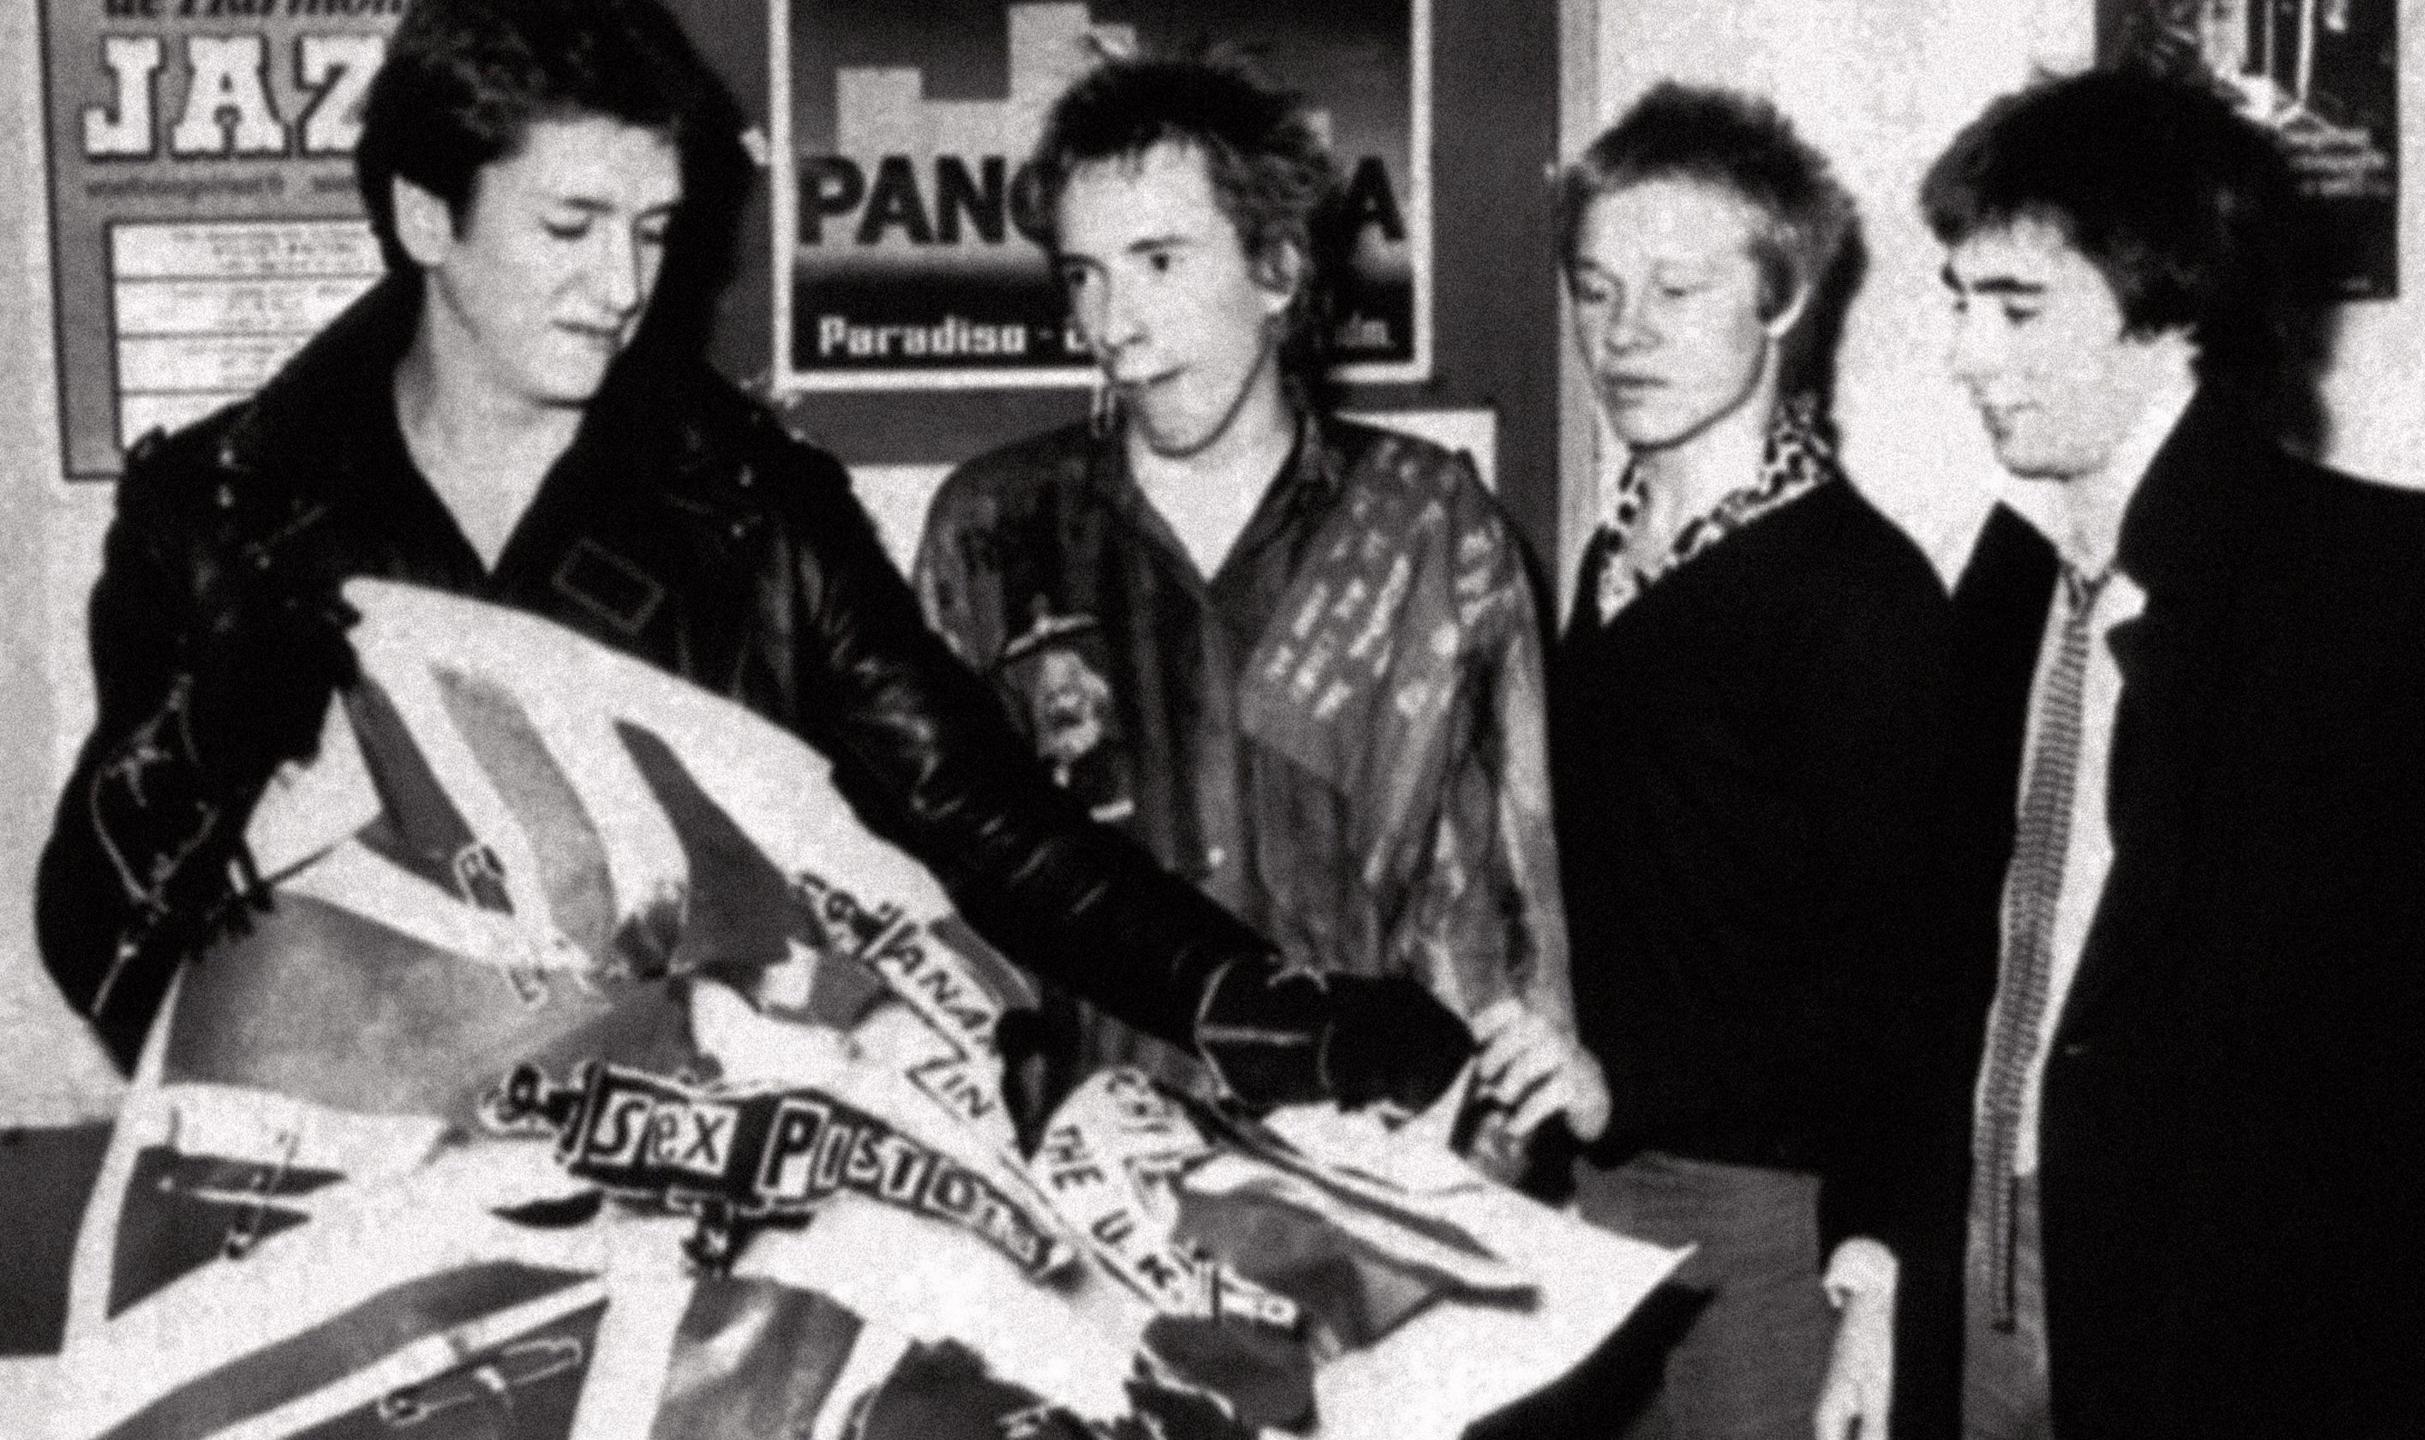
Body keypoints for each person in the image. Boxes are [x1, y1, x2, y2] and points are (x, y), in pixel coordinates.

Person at [34, 0, 1472, 1124]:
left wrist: (1250, 997)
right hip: (355, 1237)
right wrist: (204, 744)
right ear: (426, 215)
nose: (622, 288)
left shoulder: (746, 508)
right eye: (570, 227)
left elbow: (980, 815)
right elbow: (97, 950)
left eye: (653, 231)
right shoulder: (219, 509)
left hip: (683, 1238)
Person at [1927, 67, 2425, 1438]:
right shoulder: (2005, 596)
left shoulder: (2404, 591)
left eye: (2017, 307)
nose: (1965, 355)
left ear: (2174, 315)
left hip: (2239, 1329)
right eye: (1959, 300)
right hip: (1989, 1266)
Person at [915, 54, 1599, 1155]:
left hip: (1369, 1191)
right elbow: (935, 910)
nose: (1113, 325)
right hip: (1086, 1204)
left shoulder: (1428, 526)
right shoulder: (990, 531)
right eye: (1083, 275)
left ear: (1278, 269)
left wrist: (1504, 1149)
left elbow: (1500, 913)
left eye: (1158, 262)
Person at [1546, 83, 1970, 1440]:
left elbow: (1910, 989)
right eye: (1598, 288)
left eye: (1678, 289)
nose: (1626, 334)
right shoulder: (1611, 560)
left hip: (1777, 1218)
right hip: (1595, 1198)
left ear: (1783, 300)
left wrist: (1875, 1292)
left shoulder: (1860, 595)